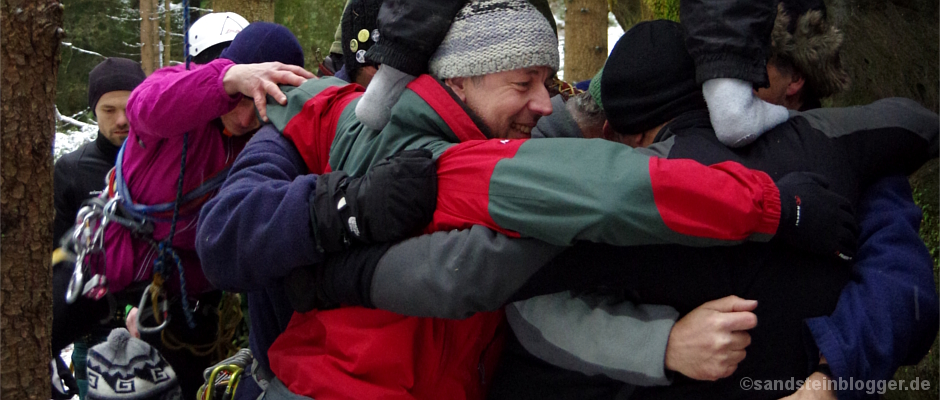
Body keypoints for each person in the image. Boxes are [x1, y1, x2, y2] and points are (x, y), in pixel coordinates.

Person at [198, 1, 858, 398]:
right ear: (451, 73)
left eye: (546, 80)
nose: (543, 100)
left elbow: (577, 138)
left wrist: (654, 73)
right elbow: (224, 235)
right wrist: (346, 212)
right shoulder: (314, 123)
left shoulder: (486, 127)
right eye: (526, 81)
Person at [484, 20, 938, 400]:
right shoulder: (842, 142)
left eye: (753, 69)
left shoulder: (626, 184)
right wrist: (666, 344)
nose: (743, 84)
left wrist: (831, 378)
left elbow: (901, 287)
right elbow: (913, 123)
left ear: (796, 79)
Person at [61, 22, 313, 400]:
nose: (244, 118)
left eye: (259, 103)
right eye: (242, 96)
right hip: (108, 270)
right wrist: (229, 80)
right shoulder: (183, 105)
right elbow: (144, 104)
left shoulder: (265, 143)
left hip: (184, 301)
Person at [51, 57, 147, 400]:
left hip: (158, 330)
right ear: (94, 110)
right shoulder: (71, 170)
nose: (121, 119)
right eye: (109, 109)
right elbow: (57, 262)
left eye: (130, 106)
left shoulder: (166, 161)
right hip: (93, 336)